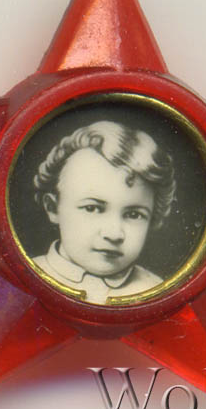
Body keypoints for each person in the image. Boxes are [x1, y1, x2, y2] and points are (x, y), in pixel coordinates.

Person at [32, 120, 176, 305]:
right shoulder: (23, 278)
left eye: (134, 214)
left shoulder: (156, 291)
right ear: (53, 208)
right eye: (92, 208)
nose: (113, 234)